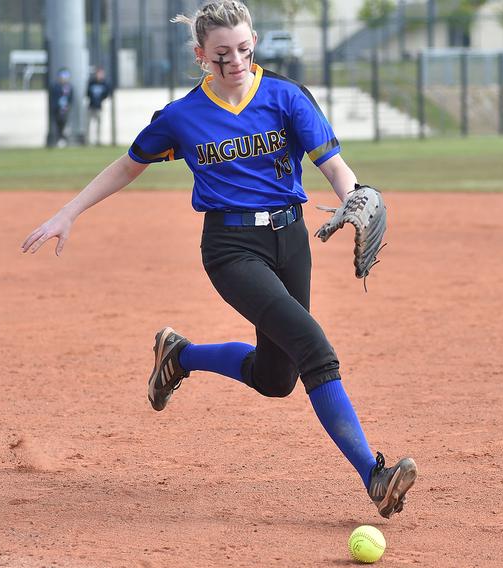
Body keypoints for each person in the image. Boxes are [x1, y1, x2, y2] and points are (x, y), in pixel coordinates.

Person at [22, 0, 417, 519]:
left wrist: (356, 197)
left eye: (244, 50)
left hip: (290, 240)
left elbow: (334, 166)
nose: (235, 62)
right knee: (314, 349)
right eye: (222, 54)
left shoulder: (285, 97)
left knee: (277, 380)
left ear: (255, 44)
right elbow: (128, 164)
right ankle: (375, 476)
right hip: (232, 249)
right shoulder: (184, 116)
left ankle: (178, 356)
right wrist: (69, 212)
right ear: (201, 54)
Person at [86, 66, 112, 146]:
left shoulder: (104, 83)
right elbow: (87, 93)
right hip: (91, 106)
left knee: (99, 124)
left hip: (99, 107)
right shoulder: (91, 82)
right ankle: (88, 141)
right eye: (98, 73)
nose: (100, 75)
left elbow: (107, 94)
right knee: (88, 124)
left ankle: (98, 140)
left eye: (101, 74)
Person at [50, 68, 74, 147]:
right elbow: (53, 98)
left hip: (65, 109)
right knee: (58, 125)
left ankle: (64, 139)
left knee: (64, 124)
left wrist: (68, 106)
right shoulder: (55, 86)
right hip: (57, 109)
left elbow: (70, 98)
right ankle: (59, 139)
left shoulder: (69, 87)